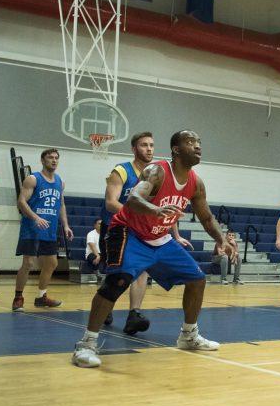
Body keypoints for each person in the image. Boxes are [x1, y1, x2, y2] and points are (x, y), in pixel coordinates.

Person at [72, 130, 234, 368]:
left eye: (199, 142)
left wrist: (221, 239)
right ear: (176, 150)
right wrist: (154, 210)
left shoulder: (195, 182)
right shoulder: (156, 171)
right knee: (118, 281)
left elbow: (207, 217)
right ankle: (86, 345)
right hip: (129, 232)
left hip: (159, 238)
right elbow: (133, 199)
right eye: (191, 142)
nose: (198, 146)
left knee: (197, 279)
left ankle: (188, 335)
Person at [101, 132, 190, 334]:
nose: (149, 149)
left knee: (142, 270)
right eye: (144, 145)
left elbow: (166, 207)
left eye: (151, 145)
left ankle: (134, 313)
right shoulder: (121, 171)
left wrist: (175, 235)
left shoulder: (158, 173)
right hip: (118, 227)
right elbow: (110, 203)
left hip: (144, 230)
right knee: (117, 273)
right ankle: (106, 305)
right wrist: (141, 214)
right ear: (134, 149)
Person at [14, 148, 72, 311]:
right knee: (28, 263)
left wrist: (66, 225)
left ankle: (41, 297)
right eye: (50, 157)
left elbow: (61, 204)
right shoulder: (33, 179)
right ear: (42, 160)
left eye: (56, 158)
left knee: (52, 263)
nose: (54, 160)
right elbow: (21, 202)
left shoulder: (60, 182)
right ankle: (18, 297)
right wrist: (36, 218)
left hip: (50, 230)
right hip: (32, 228)